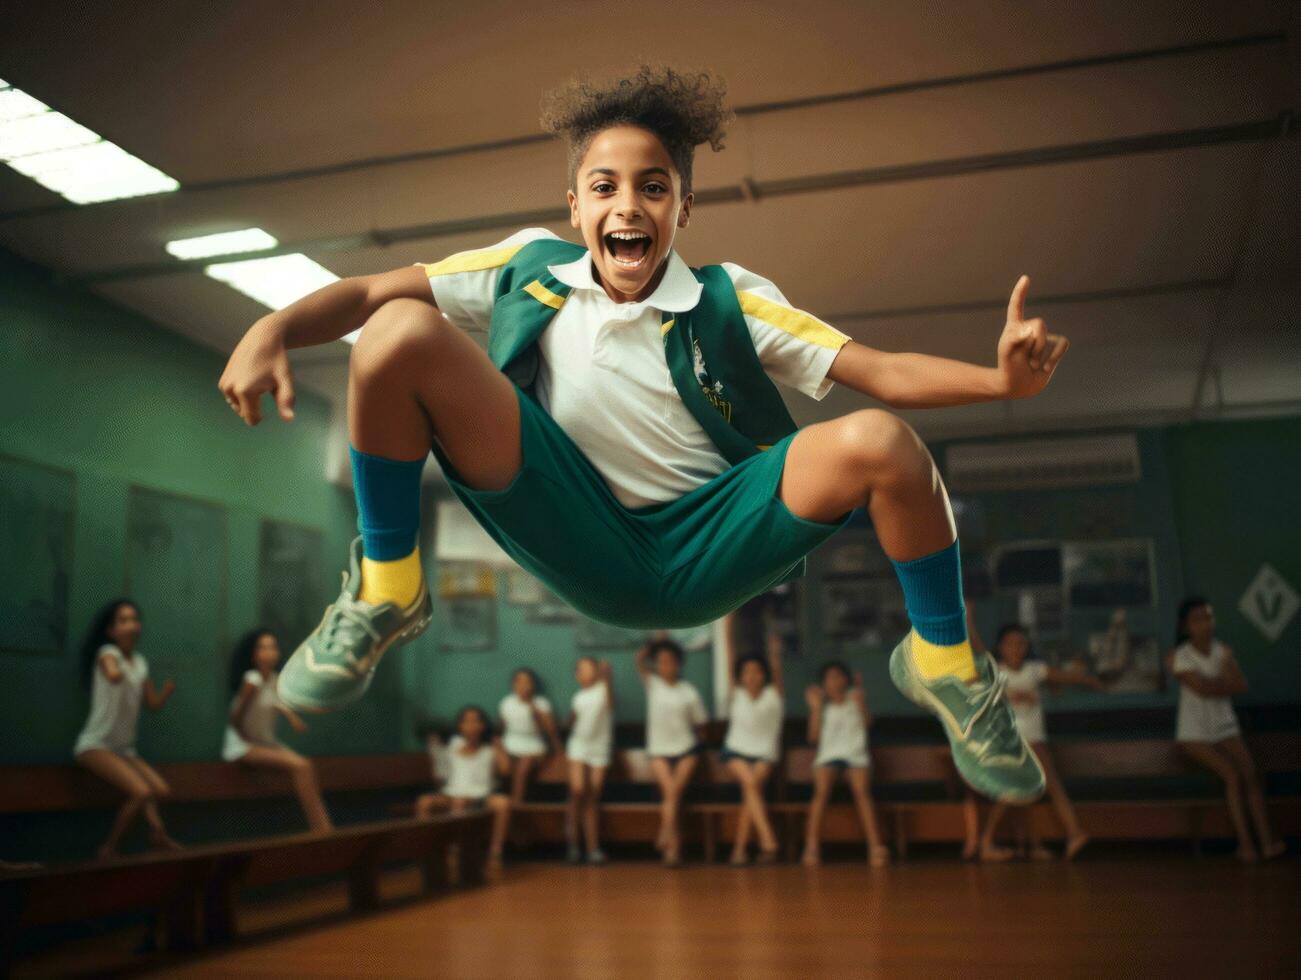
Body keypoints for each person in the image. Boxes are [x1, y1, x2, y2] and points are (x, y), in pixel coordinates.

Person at [219, 65, 1067, 805]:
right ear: (575, 203)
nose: (628, 204)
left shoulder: (730, 299)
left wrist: (999, 382)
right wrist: (271, 330)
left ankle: (947, 665)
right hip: (572, 521)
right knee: (398, 331)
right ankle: (386, 586)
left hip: (712, 542)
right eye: (604, 186)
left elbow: (879, 370)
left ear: (683, 207)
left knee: (882, 441)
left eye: (653, 186)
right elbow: (367, 292)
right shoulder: (525, 270)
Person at [1168, 597, 1284, 861]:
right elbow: (1204, 690)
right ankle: (1246, 846)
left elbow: (1240, 685)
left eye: (1209, 617)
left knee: (1251, 775)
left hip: (1225, 725)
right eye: (1198, 619)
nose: (1206, 624)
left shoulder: (1222, 650)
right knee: (1232, 776)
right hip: (1194, 732)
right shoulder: (1180, 656)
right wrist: (1223, 676)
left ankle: (1267, 842)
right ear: (1186, 626)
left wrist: (1219, 681)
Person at [975, 624, 1102, 861]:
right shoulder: (996, 671)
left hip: (1034, 736)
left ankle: (1050, 839)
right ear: (1001, 648)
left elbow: (1066, 677)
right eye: (1010, 644)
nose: (1016, 649)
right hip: (1012, 739)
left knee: (1032, 789)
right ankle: (990, 842)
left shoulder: (1035, 670)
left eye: (1021, 644)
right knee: (1026, 788)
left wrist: (1093, 681)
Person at [73, 600, 180, 858]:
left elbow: (151, 704)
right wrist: (114, 674)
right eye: (123, 620)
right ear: (111, 631)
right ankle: (108, 847)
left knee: (161, 790)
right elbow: (110, 670)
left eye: (134, 619)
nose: (132, 625)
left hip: (123, 749)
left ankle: (157, 836)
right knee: (141, 792)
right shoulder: (108, 653)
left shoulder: (140, 662)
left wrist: (164, 693)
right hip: (96, 745)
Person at [223, 629, 332, 833]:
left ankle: (323, 830)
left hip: (266, 743)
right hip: (243, 746)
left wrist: (294, 718)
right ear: (254, 655)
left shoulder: (275, 680)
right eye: (263, 647)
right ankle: (323, 831)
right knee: (302, 766)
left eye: (273, 647)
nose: (269, 652)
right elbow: (236, 716)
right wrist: (246, 739)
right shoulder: (252, 680)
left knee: (304, 766)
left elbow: (279, 704)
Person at [802, 662, 888, 867]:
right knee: (821, 790)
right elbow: (813, 738)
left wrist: (862, 703)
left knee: (861, 790)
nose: (834, 681)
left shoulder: (855, 700)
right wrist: (815, 709)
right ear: (823, 683)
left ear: (846, 680)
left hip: (855, 756)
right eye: (829, 678)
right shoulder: (822, 706)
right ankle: (811, 847)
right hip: (828, 756)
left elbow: (868, 724)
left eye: (838, 676)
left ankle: (876, 846)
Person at [637, 635, 707, 867]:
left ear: (678, 663)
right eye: (661, 661)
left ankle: (669, 843)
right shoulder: (653, 684)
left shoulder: (689, 691)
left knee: (673, 793)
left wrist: (698, 746)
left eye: (670, 660)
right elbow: (639, 660)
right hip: (658, 750)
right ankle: (672, 843)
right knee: (671, 792)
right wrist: (656, 640)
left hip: (687, 749)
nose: (665, 665)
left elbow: (701, 726)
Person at [416, 705, 512, 872]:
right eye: (466, 721)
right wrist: (434, 751)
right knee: (424, 802)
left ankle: (491, 852)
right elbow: (440, 777)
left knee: (503, 803)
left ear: (483, 725)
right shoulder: (452, 746)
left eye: (475, 721)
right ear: (460, 726)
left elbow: (505, 770)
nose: (471, 725)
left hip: (480, 795)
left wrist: (499, 746)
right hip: (451, 793)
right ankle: (424, 850)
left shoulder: (489, 749)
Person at [721, 618, 783, 864]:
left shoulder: (773, 695)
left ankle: (739, 850)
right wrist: (727, 626)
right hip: (735, 751)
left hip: (765, 754)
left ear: (763, 675)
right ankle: (768, 840)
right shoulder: (736, 694)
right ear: (741, 676)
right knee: (750, 784)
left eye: (756, 671)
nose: (751, 675)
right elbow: (729, 653)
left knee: (750, 790)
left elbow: (776, 666)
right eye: (746, 672)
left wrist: (775, 653)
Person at [565, 657, 614, 864]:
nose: (587, 672)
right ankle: (573, 844)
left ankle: (593, 848)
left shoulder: (604, 690)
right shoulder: (578, 697)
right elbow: (573, 720)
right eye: (582, 669)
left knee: (592, 795)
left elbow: (611, 702)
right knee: (577, 790)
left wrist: (607, 678)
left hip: (599, 749)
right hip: (578, 746)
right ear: (577, 676)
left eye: (590, 668)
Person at [499, 668, 562, 809]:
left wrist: (533, 708)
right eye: (519, 681)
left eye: (527, 682)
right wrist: (501, 750)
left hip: (534, 746)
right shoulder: (507, 702)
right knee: (504, 765)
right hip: (511, 744)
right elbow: (500, 729)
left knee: (524, 765)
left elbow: (550, 731)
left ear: (533, 685)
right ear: (513, 685)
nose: (523, 685)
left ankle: (517, 805)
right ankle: (500, 804)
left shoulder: (541, 703)